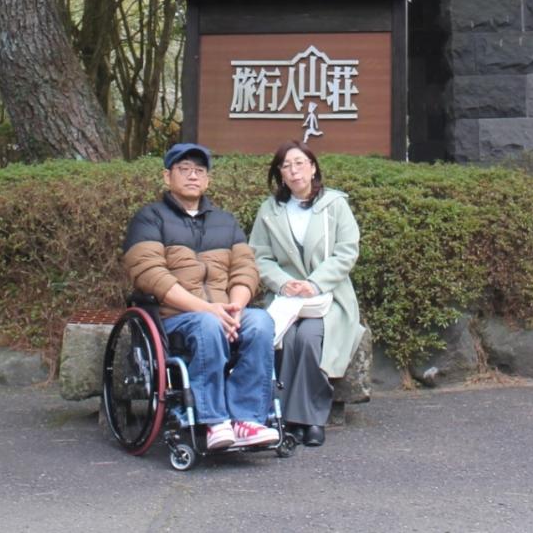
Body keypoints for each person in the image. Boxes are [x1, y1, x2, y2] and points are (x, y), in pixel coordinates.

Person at [121, 142, 280, 451]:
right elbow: (150, 274)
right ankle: (213, 420)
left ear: (207, 180)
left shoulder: (226, 221)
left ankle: (246, 419)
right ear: (167, 177)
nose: (192, 176)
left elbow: (246, 269)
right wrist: (208, 309)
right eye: (184, 169)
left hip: (222, 313)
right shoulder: (149, 219)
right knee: (207, 324)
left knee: (260, 322)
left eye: (199, 171)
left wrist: (235, 308)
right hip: (174, 317)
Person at [248, 141, 364, 449]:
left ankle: (310, 419)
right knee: (286, 338)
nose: (294, 171)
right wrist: (284, 283)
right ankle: (285, 418)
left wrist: (314, 283)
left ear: (313, 168)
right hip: (286, 299)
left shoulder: (334, 205)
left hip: (328, 297)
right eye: (286, 166)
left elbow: (346, 251)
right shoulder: (270, 210)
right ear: (280, 174)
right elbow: (259, 255)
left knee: (310, 338)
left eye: (300, 163)